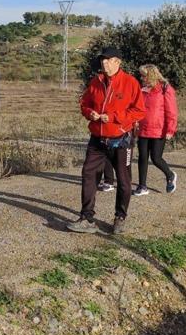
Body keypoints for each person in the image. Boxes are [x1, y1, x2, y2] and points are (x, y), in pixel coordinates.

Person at [68, 46, 145, 235]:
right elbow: (84, 103)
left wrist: (113, 117)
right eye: (102, 59)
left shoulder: (130, 83)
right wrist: (90, 113)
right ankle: (87, 218)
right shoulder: (96, 81)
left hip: (120, 140)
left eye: (108, 60)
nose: (104, 63)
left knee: (124, 181)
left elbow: (139, 111)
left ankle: (120, 217)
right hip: (97, 139)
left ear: (118, 62)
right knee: (88, 174)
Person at [134, 64, 178, 196]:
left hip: (159, 130)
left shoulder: (165, 89)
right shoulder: (143, 90)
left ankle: (170, 175)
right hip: (143, 129)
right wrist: (135, 124)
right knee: (142, 157)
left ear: (151, 75)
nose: (142, 78)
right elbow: (138, 109)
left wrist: (171, 129)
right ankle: (142, 186)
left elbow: (172, 111)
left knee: (156, 158)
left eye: (144, 75)